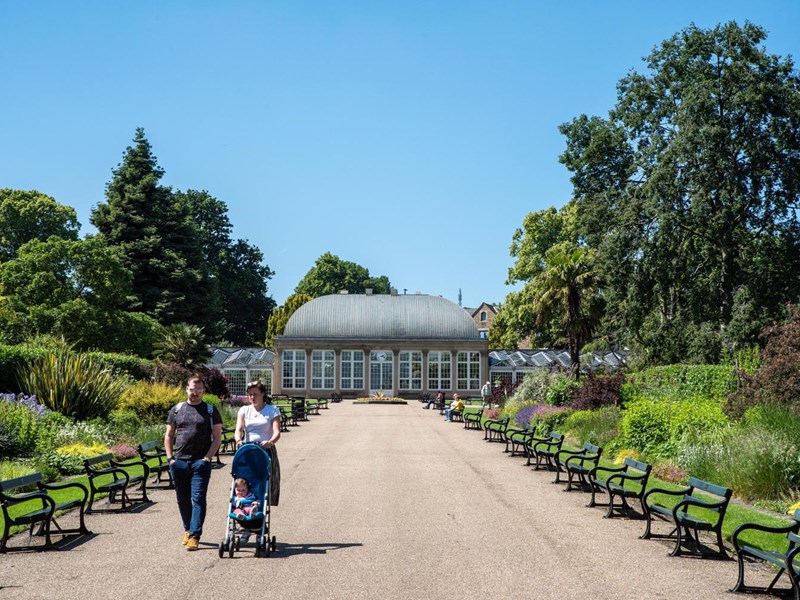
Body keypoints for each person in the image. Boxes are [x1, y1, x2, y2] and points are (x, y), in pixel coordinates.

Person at [165, 374, 223, 551]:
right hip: (179, 462)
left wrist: (207, 458)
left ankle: (195, 535)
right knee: (182, 499)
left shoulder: (211, 410)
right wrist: (170, 459)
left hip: (200, 462)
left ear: (203, 391)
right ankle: (188, 529)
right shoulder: (177, 409)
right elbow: (168, 435)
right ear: (187, 389)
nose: (195, 393)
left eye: (199, 390)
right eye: (192, 390)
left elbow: (217, 438)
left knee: (198, 498)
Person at [234, 380, 282, 506]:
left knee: (265, 481)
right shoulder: (244, 410)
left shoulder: (272, 410)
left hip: (264, 449)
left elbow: (277, 432)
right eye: (250, 394)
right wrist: (238, 440)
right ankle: (243, 502)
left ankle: (261, 502)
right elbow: (238, 429)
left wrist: (270, 442)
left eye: (255, 394)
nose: (252, 397)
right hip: (248, 449)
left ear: (263, 394)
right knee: (245, 478)